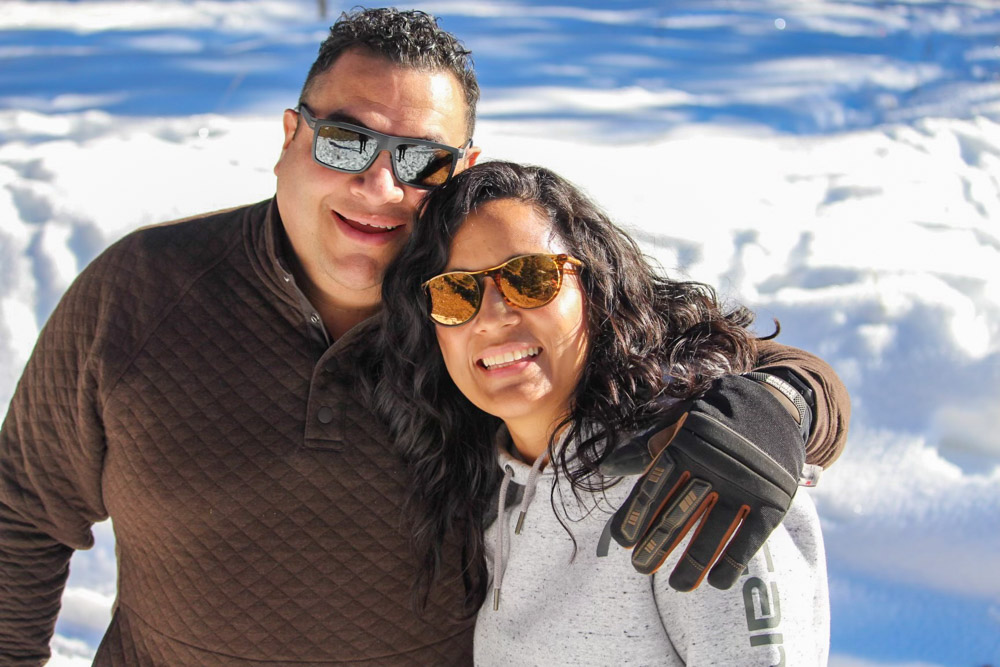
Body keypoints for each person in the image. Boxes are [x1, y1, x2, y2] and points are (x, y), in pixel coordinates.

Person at [0, 7, 847, 666]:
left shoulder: (480, 321)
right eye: (346, 139)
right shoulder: (141, 293)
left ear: (459, 169)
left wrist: (777, 402)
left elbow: (670, 344)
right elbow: (20, 515)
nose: (378, 182)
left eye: (418, 160)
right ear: (290, 138)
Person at [374, 160, 832, 665]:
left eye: (529, 278)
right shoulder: (487, 483)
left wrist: (784, 399)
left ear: (596, 291)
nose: (492, 316)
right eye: (455, 292)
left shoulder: (703, 470)